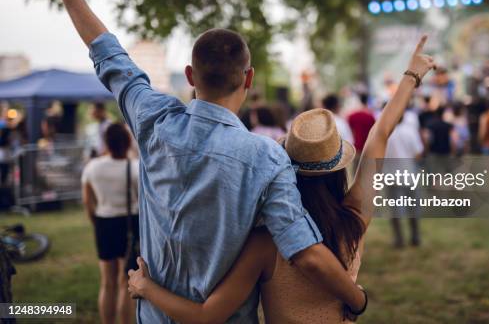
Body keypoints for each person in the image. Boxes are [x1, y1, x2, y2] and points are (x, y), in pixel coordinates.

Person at [39, 0, 366, 323]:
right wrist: (357, 299)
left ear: (191, 76)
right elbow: (305, 252)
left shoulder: (153, 120)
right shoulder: (266, 158)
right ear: (249, 78)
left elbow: (109, 55)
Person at [127, 37, 436, 323]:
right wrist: (412, 76)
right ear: (338, 168)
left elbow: (208, 315)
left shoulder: (264, 244)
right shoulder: (354, 219)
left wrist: (146, 287)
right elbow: (379, 134)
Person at [82, 123, 140, 324]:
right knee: (126, 282)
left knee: (107, 282)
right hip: (130, 224)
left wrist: (96, 223)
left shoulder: (93, 167)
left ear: (106, 142)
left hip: (104, 223)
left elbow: (88, 202)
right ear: (127, 141)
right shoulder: (134, 167)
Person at [384, 103, 424, 247]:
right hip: (409, 174)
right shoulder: (410, 131)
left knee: (395, 210)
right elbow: (418, 153)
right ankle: (415, 238)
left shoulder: (384, 133)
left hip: (391, 176)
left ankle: (399, 240)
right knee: (413, 209)